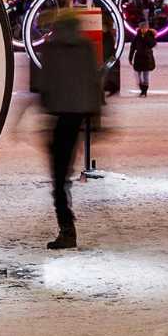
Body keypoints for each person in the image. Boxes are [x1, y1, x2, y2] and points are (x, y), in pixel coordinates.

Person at [36, 13, 104, 250]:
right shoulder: (85, 46)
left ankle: (67, 228)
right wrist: (97, 117)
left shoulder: (51, 47)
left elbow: (41, 83)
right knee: (63, 173)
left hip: (58, 116)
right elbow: (94, 82)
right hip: (78, 116)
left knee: (58, 177)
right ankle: (66, 224)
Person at [129, 19, 158, 97]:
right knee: (138, 76)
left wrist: (146, 36)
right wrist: (130, 58)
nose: (143, 29)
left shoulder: (150, 36)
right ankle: (142, 89)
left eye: (145, 28)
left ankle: (144, 91)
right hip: (138, 58)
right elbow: (132, 48)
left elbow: (152, 44)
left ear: (147, 28)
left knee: (146, 75)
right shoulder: (137, 37)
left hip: (147, 58)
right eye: (142, 28)